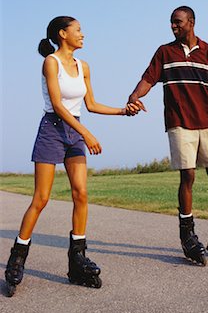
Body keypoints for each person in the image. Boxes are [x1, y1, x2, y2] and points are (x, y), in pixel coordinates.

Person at [5, 16, 141, 296]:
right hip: (53, 129)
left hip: (74, 129)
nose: (83, 35)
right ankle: (17, 257)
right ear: (62, 34)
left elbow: (89, 104)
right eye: (78, 30)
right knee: (41, 199)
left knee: (81, 193)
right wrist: (87, 134)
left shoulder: (84, 66)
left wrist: (122, 110)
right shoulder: (51, 62)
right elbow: (57, 104)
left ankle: (77, 259)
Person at [128, 6, 208, 265]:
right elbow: (148, 79)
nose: (173, 26)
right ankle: (188, 234)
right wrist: (135, 96)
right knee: (188, 175)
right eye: (171, 23)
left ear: (191, 22)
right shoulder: (165, 52)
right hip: (179, 123)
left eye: (178, 22)